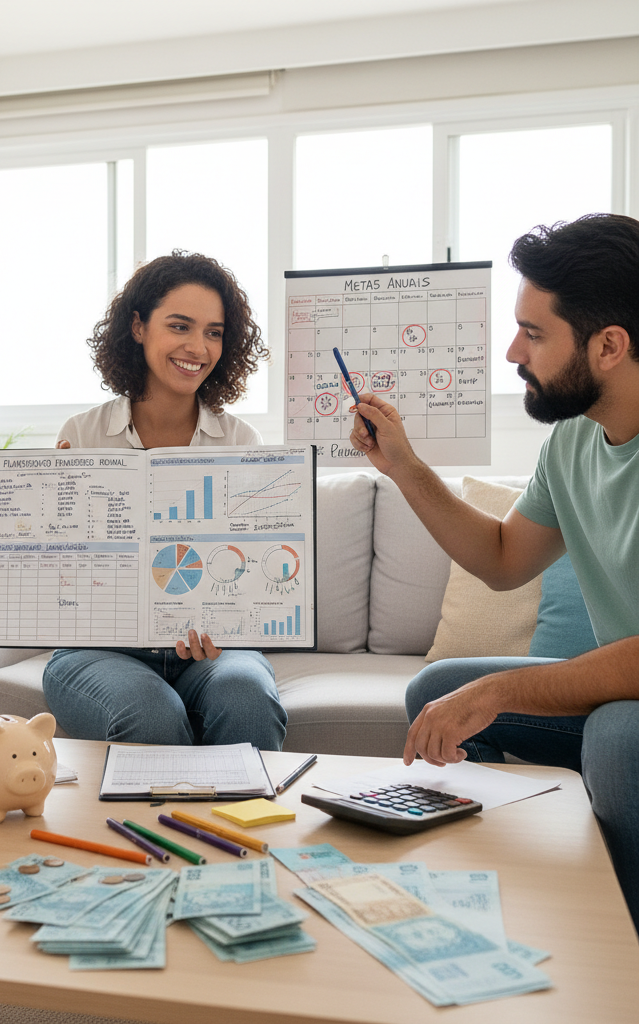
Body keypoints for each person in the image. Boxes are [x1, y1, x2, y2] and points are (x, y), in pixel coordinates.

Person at [346, 213, 639, 932]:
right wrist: (404, 467)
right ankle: (482, 903)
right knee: (438, 690)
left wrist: (499, 690)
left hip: (627, 710)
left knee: (618, 735)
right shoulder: (574, 440)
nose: (513, 351)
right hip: (619, 695)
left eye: (533, 333)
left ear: (609, 345)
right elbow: (504, 561)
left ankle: (620, 946)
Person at [42, 250, 288, 750]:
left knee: (247, 697)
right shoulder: (83, 435)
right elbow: (59, 576)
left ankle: (247, 807)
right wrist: (55, 513)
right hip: (101, 650)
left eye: (214, 332)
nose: (198, 347)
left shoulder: (240, 442)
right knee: (150, 713)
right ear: (138, 327)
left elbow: (253, 571)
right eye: (180, 326)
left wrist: (230, 618)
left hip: (213, 650)